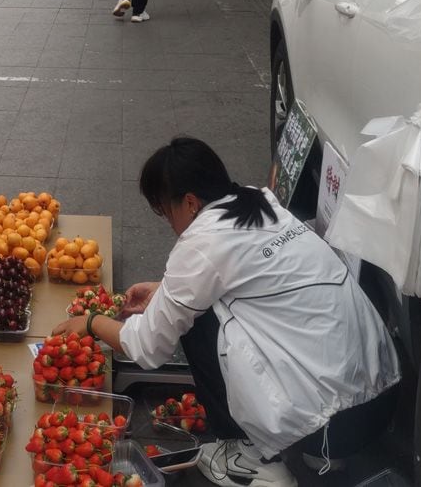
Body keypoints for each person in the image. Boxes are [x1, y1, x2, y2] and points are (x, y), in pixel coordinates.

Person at [52, 137, 400, 487]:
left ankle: (252, 459)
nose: (168, 222)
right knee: (200, 307)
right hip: (380, 401)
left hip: (334, 425)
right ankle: (321, 450)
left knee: (196, 321)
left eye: (164, 211)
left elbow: (148, 347)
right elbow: (242, 280)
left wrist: (92, 323)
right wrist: (163, 292)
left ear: (189, 202)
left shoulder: (203, 242)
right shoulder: (259, 203)